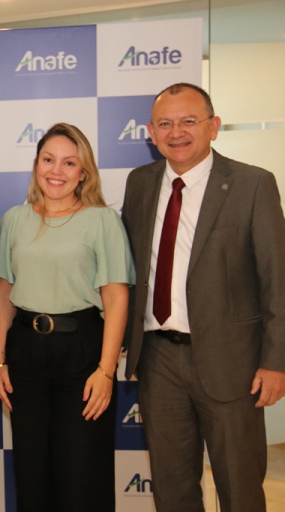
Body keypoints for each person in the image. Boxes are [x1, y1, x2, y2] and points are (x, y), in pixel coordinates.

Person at [121, 82, 285, 511]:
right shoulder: (139, 183)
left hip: (234, 363)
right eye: (165, 124)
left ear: (213, 127)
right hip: (158, 361)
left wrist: (276, 361)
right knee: (172, 491)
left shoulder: (253, 184)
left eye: (189, 121)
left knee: (240, 490)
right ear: (150, 133)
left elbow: (277, 280)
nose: (176, 132)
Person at [0, 123, 134, 511]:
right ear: (36, 164)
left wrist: (106, 372)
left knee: (82, 479)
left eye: (69, 163)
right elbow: (4, 292)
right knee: (32, 477)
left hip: (83, 355)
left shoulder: (102, 220)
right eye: (48, 159)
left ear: (83, 171)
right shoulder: (14, 219)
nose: (56, 171)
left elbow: (116, 298)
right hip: (25, 355)